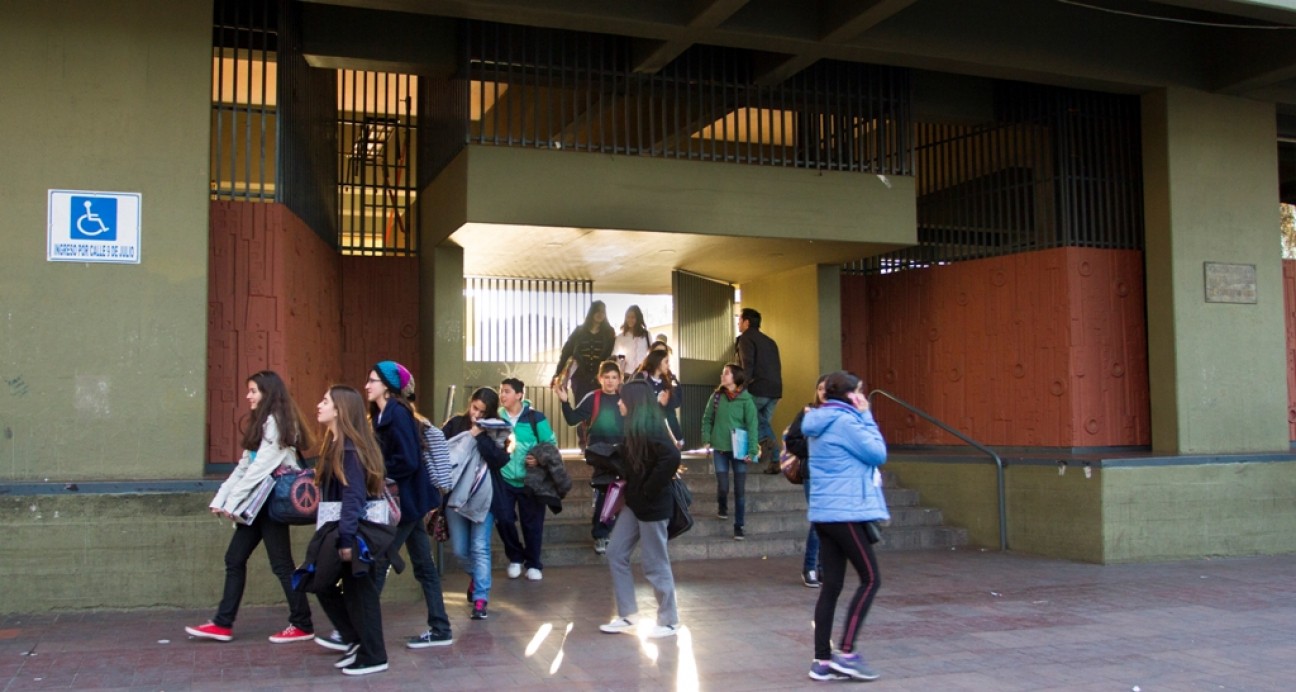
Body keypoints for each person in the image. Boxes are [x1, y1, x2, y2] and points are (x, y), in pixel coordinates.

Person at [187, 371, 316, 644]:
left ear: (267, 393)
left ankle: (302, 623)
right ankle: (223, 623)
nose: (248, 396)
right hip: (258, 504)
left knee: (281, 565)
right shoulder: (262, 423)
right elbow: (243, 467)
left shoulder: (279, 423)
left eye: (253, 391)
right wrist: (221, 500)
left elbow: (260, 470)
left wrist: (232, 504)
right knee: (235, 558)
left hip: (271, 504)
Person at [803, 371, 888, 682]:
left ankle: (821, 662)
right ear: (850, 395)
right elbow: (878, 453)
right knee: (870, 579)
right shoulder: (848, 422)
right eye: (859, 392)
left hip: (824, 515)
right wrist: (867, 416)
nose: (862, 397)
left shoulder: (818, 421)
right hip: (846, 513)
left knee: (832, 586)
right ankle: (848, 653)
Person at [363, 361, 453, 650]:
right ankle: (440, 628)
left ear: (388, 388)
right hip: (410, 503)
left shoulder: (397, 414)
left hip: (405, 503)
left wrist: (377, 470)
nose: (367, 385)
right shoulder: (383, 415)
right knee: (424, 567)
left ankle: (355, 629)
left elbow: (408, 461)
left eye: (373, 380)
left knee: (378, 562)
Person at [312, 385, 392, 676]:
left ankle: (373, 654)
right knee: (328, 585)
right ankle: (357, 642)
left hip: (354, 532)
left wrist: (347, 538)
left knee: (360, 592)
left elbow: (354, 496)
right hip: (344, 530)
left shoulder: (348, 449)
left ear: (340, 410)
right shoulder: (337, 445)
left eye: (325, 400)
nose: (318, 405)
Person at [597, 379, 682, 639]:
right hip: (635, 504)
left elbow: (671, 457)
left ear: (633, 402)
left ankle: (669, 620)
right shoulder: (634, 427)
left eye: (623, 399)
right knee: (615, 552)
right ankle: (628, 614)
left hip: (653, 506)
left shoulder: (652, 428)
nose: (619, 402)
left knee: (655, 563)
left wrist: (648, 488)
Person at [441, 387, 511, 620]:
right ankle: (477, 577)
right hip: (456, 498)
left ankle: (481, 598)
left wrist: (481, 435)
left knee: (480, 547)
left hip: (486, 497)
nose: (477, 415)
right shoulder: (454, 424)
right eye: (474, 409)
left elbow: (500, 460)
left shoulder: (498, 429)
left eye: (483, 412)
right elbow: (443, 454)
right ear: (469, 404)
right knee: (461, 550)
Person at [557, 360, 625, 554]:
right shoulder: (593, 397)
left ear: (620, 379)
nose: (610, 382)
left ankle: (609, 531)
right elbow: (572, 419)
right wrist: (564, 401)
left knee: (619, 494)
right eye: (606, 377)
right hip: (601, 455)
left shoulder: (625, 398)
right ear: (600, 379)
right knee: (607, 492)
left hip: (622, 453)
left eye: (614, 377)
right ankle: (601, 535)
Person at [496, 377, 559, 581]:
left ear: (519, 395)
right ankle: (515, 557)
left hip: (530, 480)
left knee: (532, 523)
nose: (502, 395)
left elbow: (550, 444)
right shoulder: (496, 417)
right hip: (504, 479)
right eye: (501, 391)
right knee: (504, 519)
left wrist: (539, 459)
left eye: (507, 391)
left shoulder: (535, 417)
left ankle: (533, 563)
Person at [700, 362, 759, 540]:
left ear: (736, 378)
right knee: (723, 485)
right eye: (723, 373)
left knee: (740, 490)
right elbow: (707, 418)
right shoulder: (716, 396)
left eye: (726, 373)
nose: (722, 376)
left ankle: (739, 526)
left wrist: (752, 450)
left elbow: (752, 426)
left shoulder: (746, 400)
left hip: (739, 450)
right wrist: (706, 439)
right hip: (720, 448)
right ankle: (722, 506)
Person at [782, 374, 829, 589]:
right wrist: (813, 450)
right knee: (820, 519)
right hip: (813, 472)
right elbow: (792, 440)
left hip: (836, 475)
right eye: (820, 388)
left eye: (828, 389)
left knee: (830, 522)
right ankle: (811, 566)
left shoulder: (841, 415)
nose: (824, 393)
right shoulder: (808, 412)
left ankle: (822, 567)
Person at [552, 301, 615, 447]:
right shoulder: (579, 331)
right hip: (580, 376)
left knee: (600, 407)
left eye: (603, 312)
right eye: (597, 311)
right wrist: (557, 373)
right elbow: (566, 352)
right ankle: (584, 442)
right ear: (591, 313)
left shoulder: (609, 332)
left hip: (599, 377)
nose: (600, 314)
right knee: (582, 408)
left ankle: (598, 441)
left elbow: (612, 353)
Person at [734, 308, 783, 474]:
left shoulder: (745, 339)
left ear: (747, 322)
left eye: (740, 320)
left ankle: (775, 457)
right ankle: (759, 456)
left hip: (758, 388)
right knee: (761, 424)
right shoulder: (770, 341)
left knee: (751, 420)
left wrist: (740, 387)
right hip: (774, 390)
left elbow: (747, 365)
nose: (738, 323)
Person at [632, 348, 683, 447]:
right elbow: (635, 403)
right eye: (666, 362)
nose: (668, 365)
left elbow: (674, 406)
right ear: (658, 362)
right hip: (642, 432)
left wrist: (678, 437)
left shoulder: (667, 381)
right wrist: (656, 401)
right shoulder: (642, 377)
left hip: (659, 431)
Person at [612, 304, 652, 377]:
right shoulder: (621, 337)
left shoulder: (646, 335)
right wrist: (621, 361)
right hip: (626, 374)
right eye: (628, 317)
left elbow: (651, 353)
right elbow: (615, 355)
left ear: (638, 318)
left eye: (633, 317)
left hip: (643, 373)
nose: (630, 320)